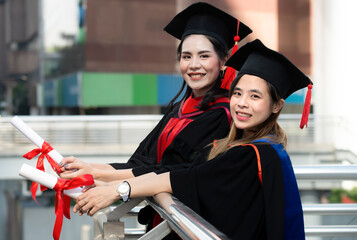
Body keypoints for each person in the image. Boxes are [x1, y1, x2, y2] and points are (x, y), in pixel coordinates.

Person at [73, 39, 310, 240]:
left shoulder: (252, 154)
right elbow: (179, 170)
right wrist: (99, 174)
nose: (242, 103)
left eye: (255, 96)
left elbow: (184, 178)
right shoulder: (262, 148)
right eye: (237, 93)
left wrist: (119, 189)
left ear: (277, 105)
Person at [59, 2, 252, 181]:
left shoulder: (222, 115)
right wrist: (87, 167)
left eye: (203, 56)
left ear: (224, 60)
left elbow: (169, 173)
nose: (194, 65)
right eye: (186, 56)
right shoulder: (179, 109)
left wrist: (97, 174)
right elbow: (141, 163)